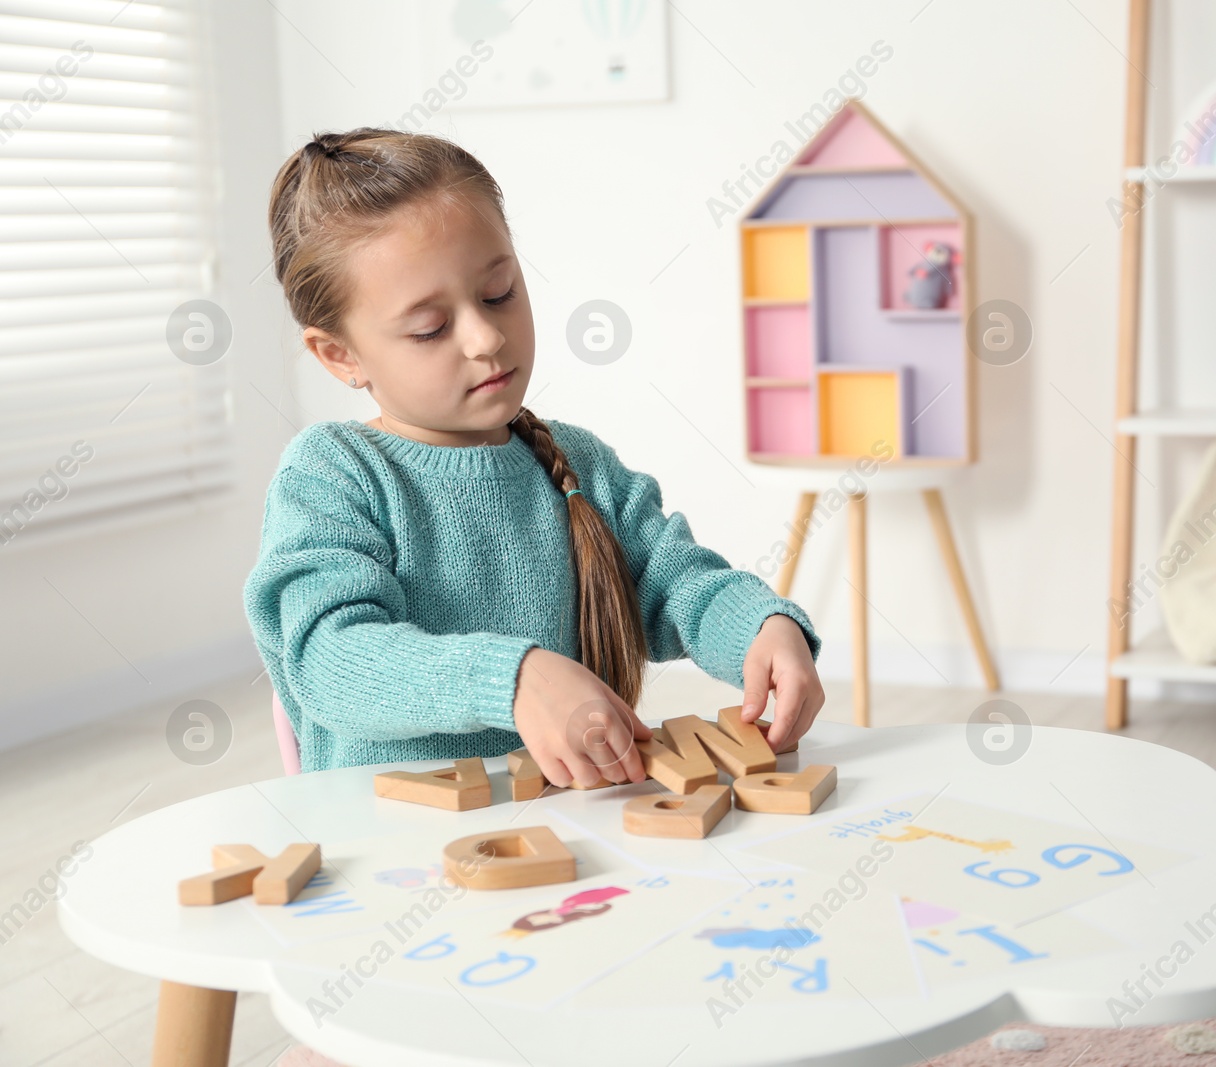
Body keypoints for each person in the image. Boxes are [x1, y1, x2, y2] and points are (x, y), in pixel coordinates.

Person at [245, 128, 825, 791]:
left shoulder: (577, 464)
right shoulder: (330, 474)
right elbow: (329, 659)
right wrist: (511, 678)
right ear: (340, 355)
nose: (487, 336)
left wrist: (761, 625)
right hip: (393, 848)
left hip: (577, 832)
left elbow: (676, 581)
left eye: (499, 292)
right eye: (430, 328)